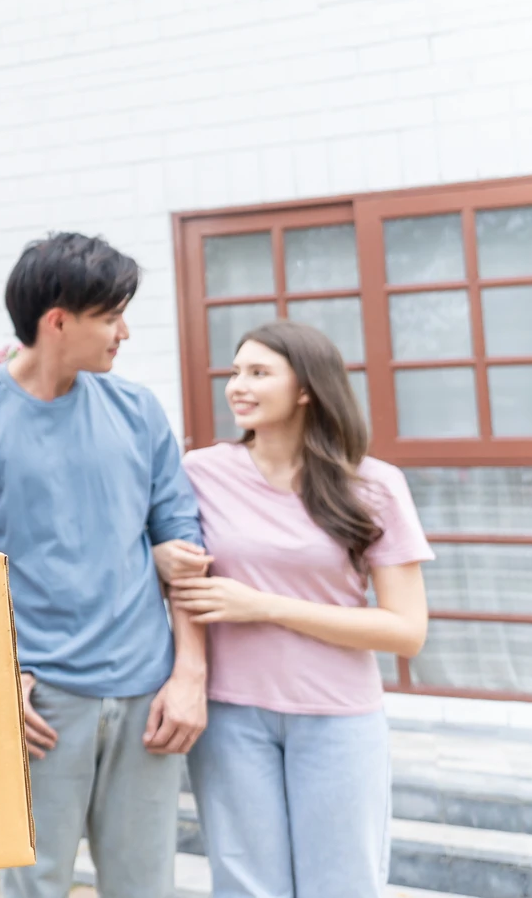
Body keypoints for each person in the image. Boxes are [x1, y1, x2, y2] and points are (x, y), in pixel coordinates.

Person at [0, 232, 208, 898]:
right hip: (39, 703)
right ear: (58, 320)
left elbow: (185, 555)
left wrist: (189, 674)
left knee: (146, 888)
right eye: (110, 315)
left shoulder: (139, 412)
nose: (123, 332)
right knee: (34, 887)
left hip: (146, 699)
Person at [154, 321, 430, 898]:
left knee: (342, 885)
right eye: (235, 372)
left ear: (306, 389)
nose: (238, 386)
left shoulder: (373, 485)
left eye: (258, 372)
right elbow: (170, 565)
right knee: (246, 886)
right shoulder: (200, 473)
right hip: (230, 715)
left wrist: (263, 606)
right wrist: (160, 556)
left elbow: (405, 631)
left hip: (337, 717)